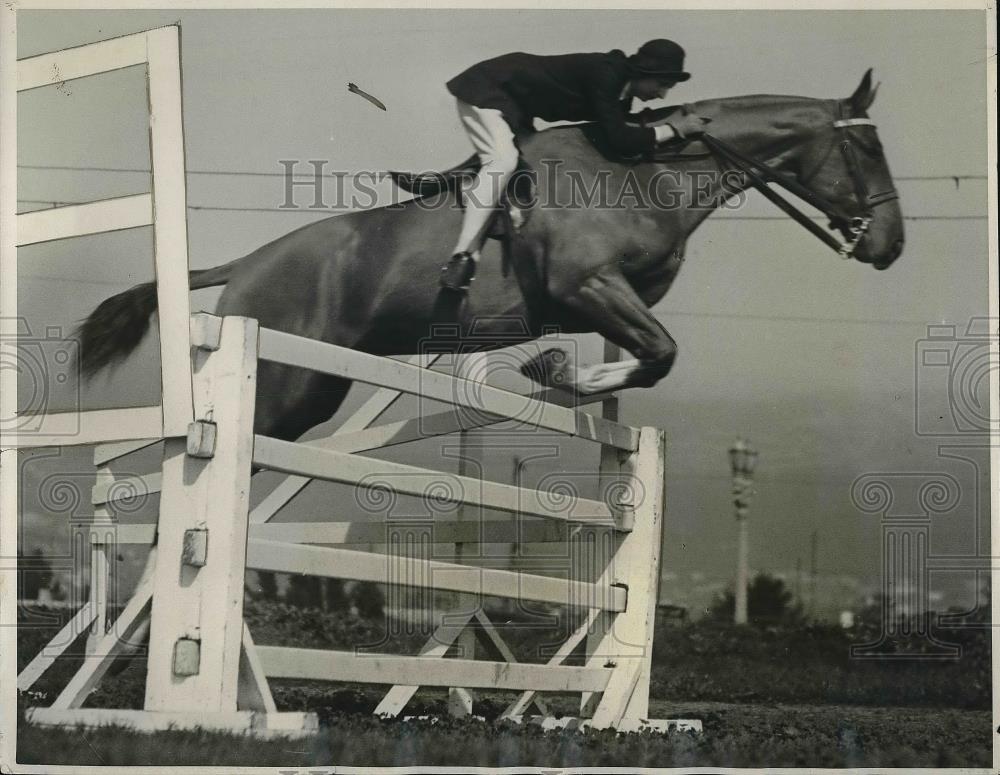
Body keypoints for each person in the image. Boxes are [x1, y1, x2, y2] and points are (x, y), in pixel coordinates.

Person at [439, 38, 710, 291]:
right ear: (645, 73)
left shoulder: (620, 93)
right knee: (503, 161)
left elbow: (621, 132)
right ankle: (462, 257)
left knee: (523, 164)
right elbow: (620, 138)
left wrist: (669, 121)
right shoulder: (606, 75)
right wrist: (675, 130)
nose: (662, 95)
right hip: (487, 89)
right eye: (662, 86)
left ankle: (474, 188)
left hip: (516, 106)